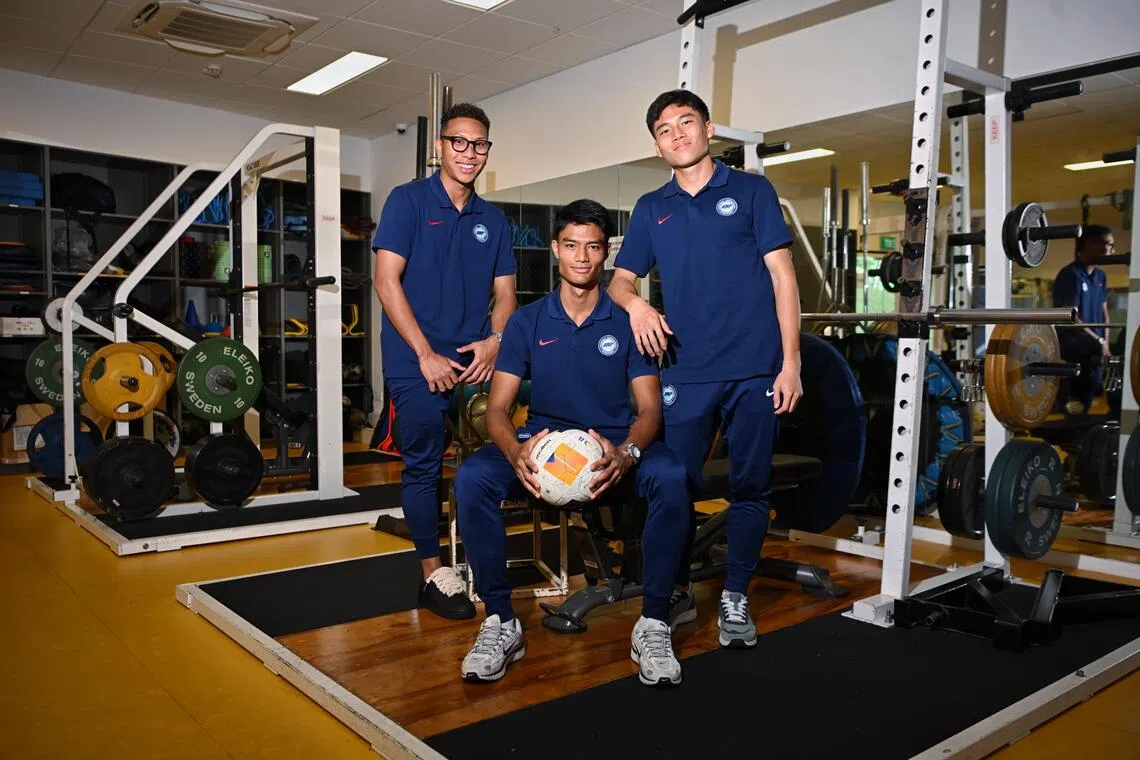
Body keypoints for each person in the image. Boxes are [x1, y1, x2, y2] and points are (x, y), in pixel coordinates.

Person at [453, 199, 690, 687]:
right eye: (572, 246)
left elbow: (649, 410)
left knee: (671, 475)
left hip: (612, 452)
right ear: (557, 250)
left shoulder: (628, 322)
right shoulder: (527, 322)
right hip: (544, 449)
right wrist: (516, 451)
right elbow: (497, 410)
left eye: (594, 247)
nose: (582, 257)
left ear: (605, 254)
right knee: (473, 477)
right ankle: (501, 620)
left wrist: (627, 453)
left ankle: (654, 621)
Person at [607, 89, 803, 649]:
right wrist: (638, 304)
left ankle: (736, 593)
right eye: (664, 130)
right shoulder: (651, 207)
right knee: (673, 486)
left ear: (708, 129)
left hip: (754, 370)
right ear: (656, 144)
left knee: (750, 486)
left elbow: (784, 278)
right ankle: (673, 587)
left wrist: (790, 363)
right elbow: (620, 281)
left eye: (685, 123)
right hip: (684, 371)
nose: (676, 135)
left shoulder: (750, 191)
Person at [373, 103, 517, 620]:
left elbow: (506, 295)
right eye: (460, 142)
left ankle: (486, 556)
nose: (470, 154)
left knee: (500, 448)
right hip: (416, 360)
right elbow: (386, 282)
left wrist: (496, 340)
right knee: (425, 461)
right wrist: (425, 354)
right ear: (440, 146)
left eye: (479, 145)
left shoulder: (493, 220)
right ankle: (434, 573)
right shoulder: (407, 202)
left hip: (474, 358)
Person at [1052, 224, 1114, 415]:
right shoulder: (1070, 276)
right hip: (1074, 345)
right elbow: (1070, 317)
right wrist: (1099, 341)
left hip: (1095, 345)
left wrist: (1106, 343)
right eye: (1108, 244)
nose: (1113, 250)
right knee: (1076, 403)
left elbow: (1105, 312)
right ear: (1089, 245)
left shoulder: (1100, 276)